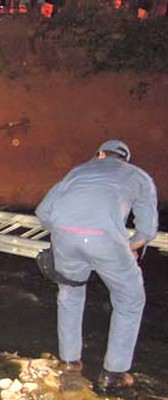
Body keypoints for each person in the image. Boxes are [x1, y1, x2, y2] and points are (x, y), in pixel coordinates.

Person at [35, 139, 158, 394]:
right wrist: (131, 247)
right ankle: (113, 373)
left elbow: (43, 212)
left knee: (70, 294)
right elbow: (147, 230)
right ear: (125, 159)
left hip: (65, 238)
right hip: (106, 240)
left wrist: (68, 231)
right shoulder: (139, 176)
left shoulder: (78, 171)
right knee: (129, 300)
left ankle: (70, 363)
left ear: (100, 154)